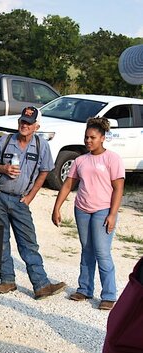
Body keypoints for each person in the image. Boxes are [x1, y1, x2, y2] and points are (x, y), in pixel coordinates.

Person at [0, 106, 65, 299]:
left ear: (36, 126)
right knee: (0, 241)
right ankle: (7, 280)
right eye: (23, 122)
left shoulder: (41, 146)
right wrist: (3, 168)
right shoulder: (6, 140)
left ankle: (41, 285)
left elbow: (45, 171)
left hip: (21, 201)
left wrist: (30, 196)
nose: (25, 126)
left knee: (28, 243)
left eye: (29, 123)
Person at [52, 118, 123, 310]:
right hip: (82, 209)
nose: (88, 141)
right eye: (86, 137)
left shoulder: (112, 159)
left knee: (102, 252)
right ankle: (84, 288)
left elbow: (118, 188)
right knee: (87, 250)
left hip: (103, 210)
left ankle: (109, 294)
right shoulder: (80, 160)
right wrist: (56, 207)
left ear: (102, 138)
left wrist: (113, 214)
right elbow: (68, 184)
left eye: (93, 137)